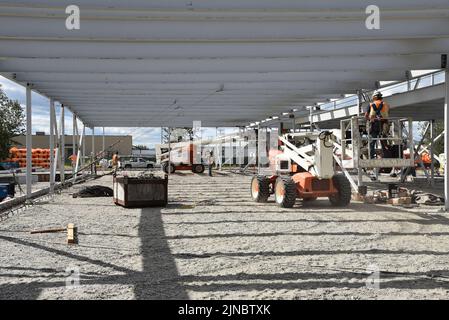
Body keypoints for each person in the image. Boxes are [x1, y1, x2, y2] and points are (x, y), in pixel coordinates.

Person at [365, 91, 390, 159]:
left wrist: (369, 120)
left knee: (372, 142)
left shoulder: (371, 104)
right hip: (383, 124)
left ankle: (371, 157)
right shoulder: (386, 105)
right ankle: (386, 156)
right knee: (384, 142)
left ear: (374, 97)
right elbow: (387, 114)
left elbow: (366, 115)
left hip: (374, 125)